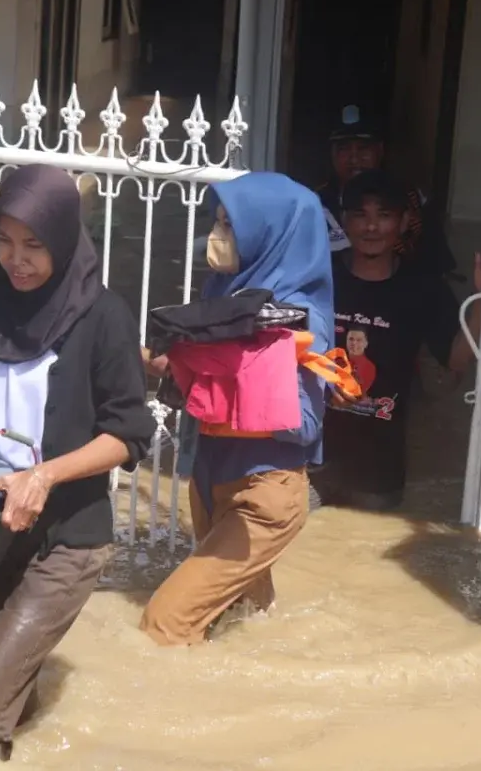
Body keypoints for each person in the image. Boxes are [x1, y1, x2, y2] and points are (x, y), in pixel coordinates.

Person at [0, 164, 155, 761]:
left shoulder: (104, 316)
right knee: (11, 698)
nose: (17, 259)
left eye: (33, 244)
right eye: (4, 241)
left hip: (67, 541)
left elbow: (129, 434)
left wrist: (45, 475)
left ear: (61, 236)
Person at [139, 172, 333, 645]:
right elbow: (196, 389)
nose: (217, 236)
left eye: (230, 226)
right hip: (211, 482)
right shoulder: (222, 295)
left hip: (263, 494)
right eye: (218, 222)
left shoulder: (298, 317)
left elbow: (305, 425)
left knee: (163, 626)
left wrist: (236, 378)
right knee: (240, 627)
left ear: (268, 234)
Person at [311, 170, 481, 512]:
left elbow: (455, 360)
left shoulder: (423, 287)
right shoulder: (319, 277)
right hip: (310, 456)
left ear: (404, 223)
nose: (371, 227)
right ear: (344, 221)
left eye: (384, 215)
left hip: (378, 467)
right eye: (360, 215)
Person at [315, 104, 458, 279]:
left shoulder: (411, 199)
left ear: (380, 150)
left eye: (363, 148)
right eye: (344, 149)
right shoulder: (313, 204)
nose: (354, 158)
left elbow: (437, 265)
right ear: (332, 155)